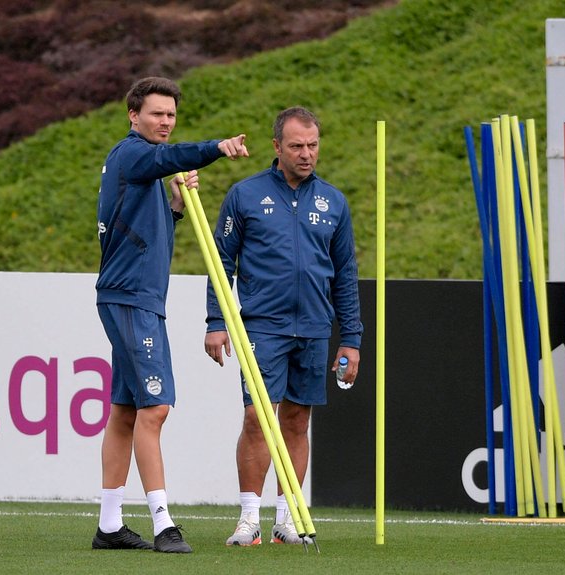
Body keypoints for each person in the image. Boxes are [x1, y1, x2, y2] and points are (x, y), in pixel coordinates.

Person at [93, 76, 250, 554]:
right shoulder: (133, 154)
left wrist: (176, 209)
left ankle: (110, 525)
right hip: (131, 299)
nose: (165, 121)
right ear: (133, 116)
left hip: (136, 298)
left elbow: (144, 234)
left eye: (171, 115)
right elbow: (169, 158)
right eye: (157, 113)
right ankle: (163, 524)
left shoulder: (140, 171)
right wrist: (216, 148)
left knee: (125, 412)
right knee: (155, 409)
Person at [203, 106, 363, 547]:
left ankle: (287, 518)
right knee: (257, 419)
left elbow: (345, 274)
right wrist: (217, 320)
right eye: (296, 146)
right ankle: (248, 519)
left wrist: (351, 338)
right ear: (277, 146)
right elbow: (221, 264)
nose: (306, 153)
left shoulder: (334, 201)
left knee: (296, 422)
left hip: (313, 328)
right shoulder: (245, 195)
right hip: (261, 327)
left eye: (313, 145)